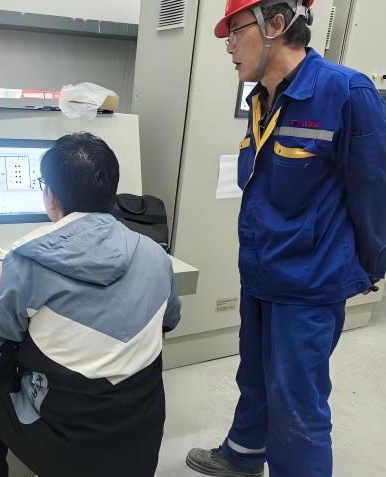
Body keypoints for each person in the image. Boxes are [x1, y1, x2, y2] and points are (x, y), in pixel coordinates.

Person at [185, 1, 386, 476]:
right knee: (254, 377)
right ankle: (243, 455)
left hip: (309, 286)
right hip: (261, 271)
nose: (228, 46)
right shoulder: (262, 98)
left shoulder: (346, 92)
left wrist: (367, 265)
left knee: (297, 406)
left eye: (235, 30)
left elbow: (375, 190)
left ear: (276, 25)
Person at [0, 132, 182, 477]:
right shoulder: (156, 255)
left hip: (67, 451)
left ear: (50, 195)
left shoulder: (26, 260)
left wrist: (8, 287)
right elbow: (170, 321)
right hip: (141, 441)